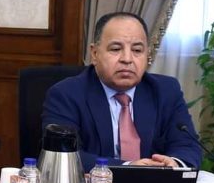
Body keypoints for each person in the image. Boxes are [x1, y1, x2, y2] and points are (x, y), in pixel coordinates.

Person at [42, 11, 201, 172]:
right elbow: (63, 155)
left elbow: (187, 145)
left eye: (137, 50)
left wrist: (174, 164)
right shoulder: (66, 95)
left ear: (147, 54)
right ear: (95, 54)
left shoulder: (166, 91)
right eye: (116, 49)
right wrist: (128, 168)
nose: (127, 59)